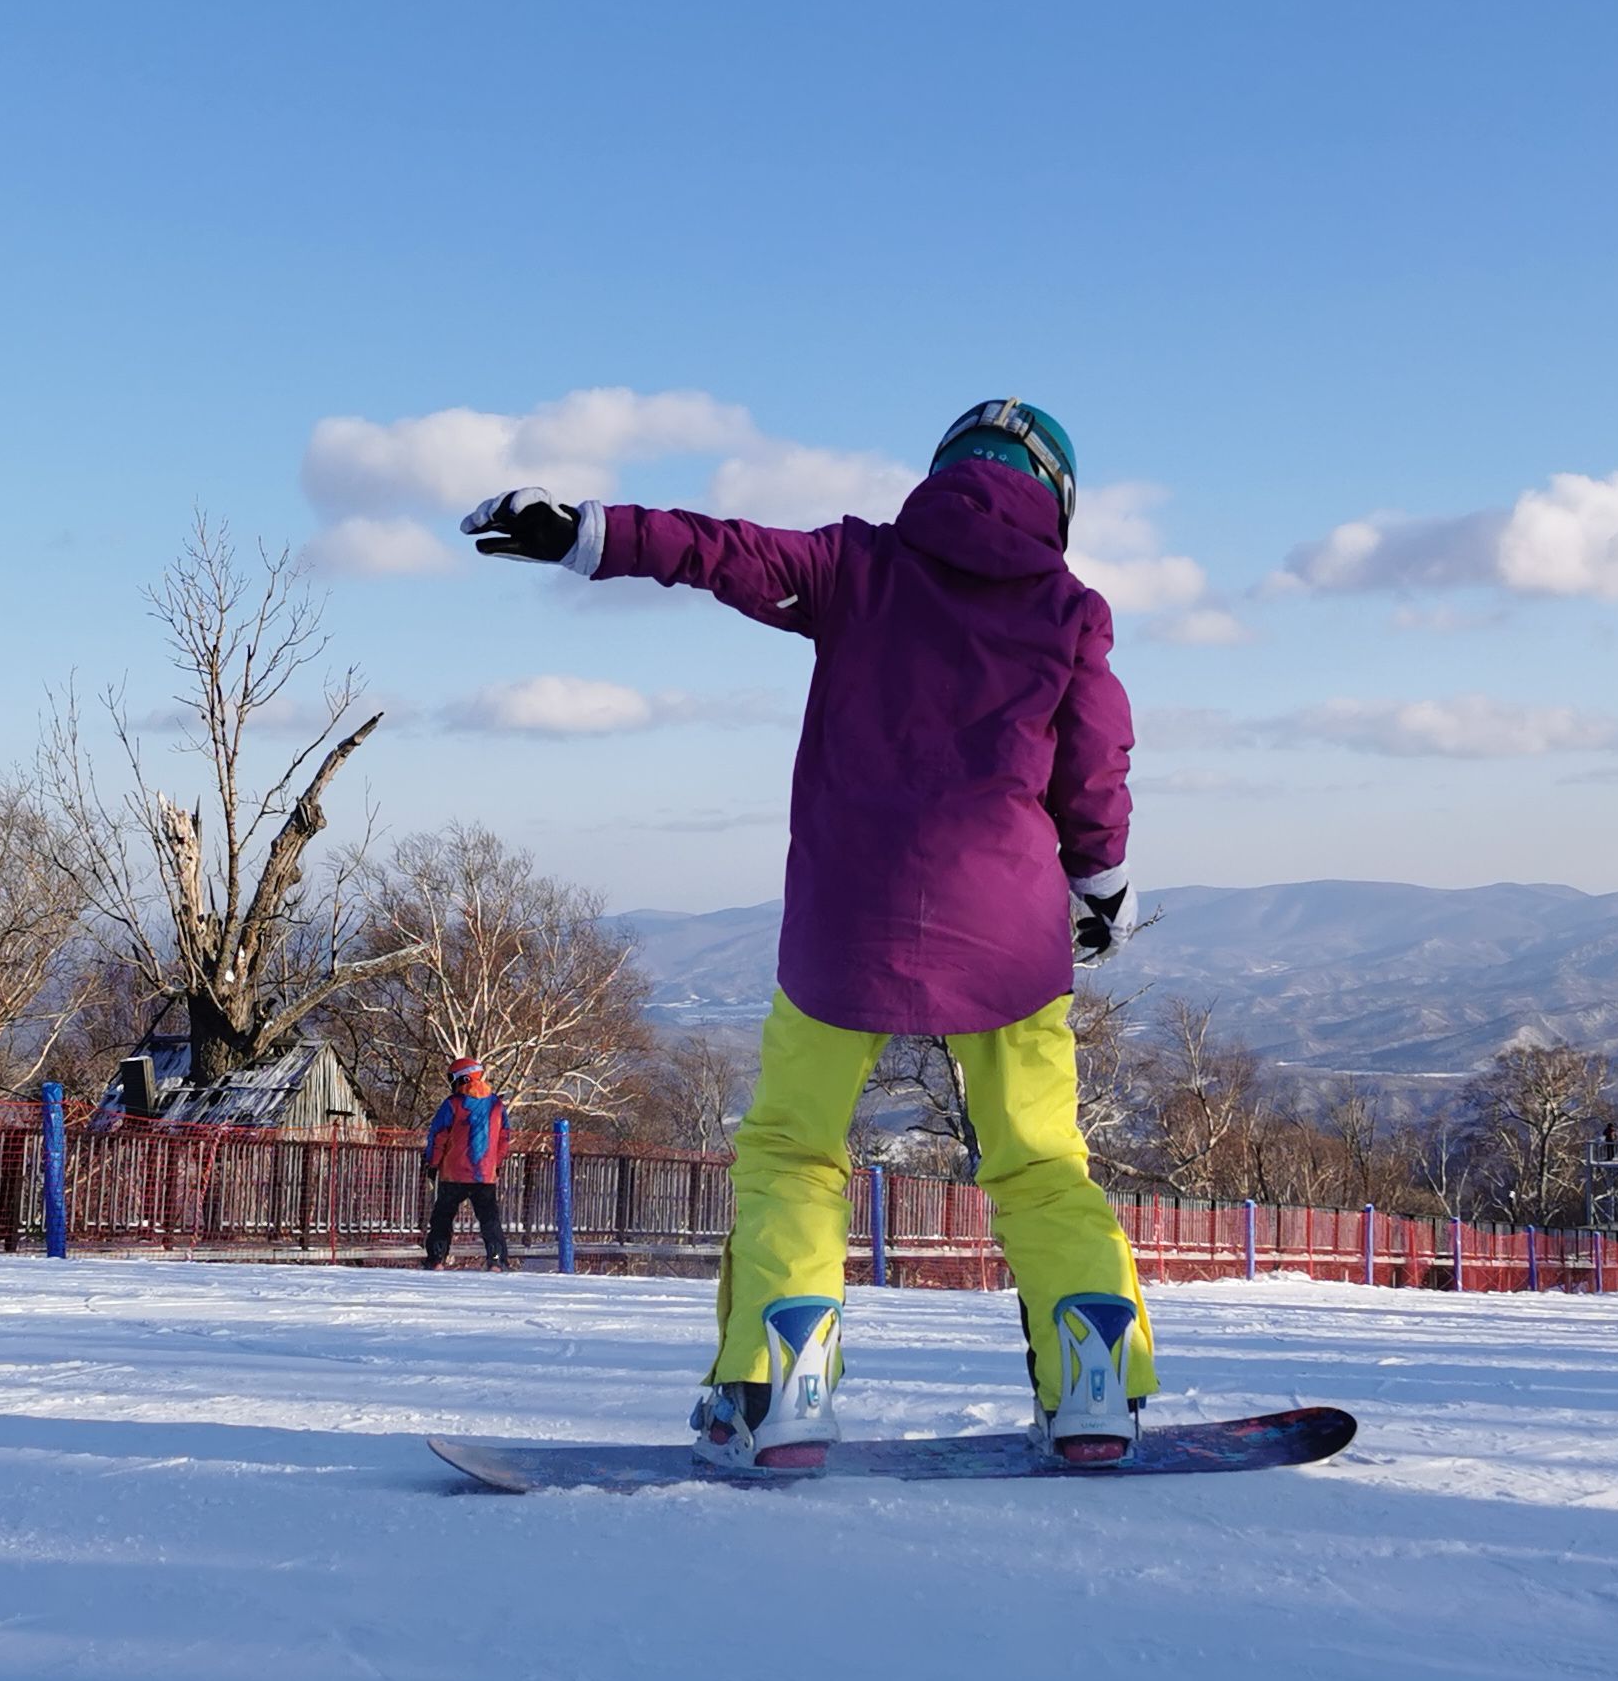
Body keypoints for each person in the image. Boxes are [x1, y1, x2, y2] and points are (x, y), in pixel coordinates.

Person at [462, 398, 1151, 1472]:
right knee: (1042, 1163)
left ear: (942, 473)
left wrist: (586, 532)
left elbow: (726, 553)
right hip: (1010, 944)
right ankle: (1095, 1389)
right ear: (1058, 497)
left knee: (793, 1154)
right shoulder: (1070, 608)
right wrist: (1102, 884)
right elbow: (1092, 766)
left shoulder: (859, 570)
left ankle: (781, 1396)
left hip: (848, 929)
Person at [420, 1059, 514, 1270]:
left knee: (442, 1217)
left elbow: (438, 1136)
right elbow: (504, 1138)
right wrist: (495, 1163)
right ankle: (497, 1261)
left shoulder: (452, 1104)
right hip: (484, 1174)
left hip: (453, 1173)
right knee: (490, 1219)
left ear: (462, 1078)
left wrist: (432, 1164)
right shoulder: (496, 1105)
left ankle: (436, 1259)